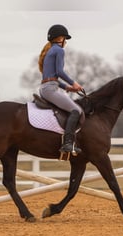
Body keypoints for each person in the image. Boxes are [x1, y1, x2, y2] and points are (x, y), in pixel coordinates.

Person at [38, 24, 83, 154]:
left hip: (46, 87)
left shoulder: (49, 51)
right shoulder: (59, 50)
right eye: (65, 38)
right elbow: (59, 72)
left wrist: (67, 88)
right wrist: (74, 83)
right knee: (76, 110)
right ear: (60, 38)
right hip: (50, 89)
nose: (66, 42)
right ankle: (67, 143)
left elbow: (52, 77)